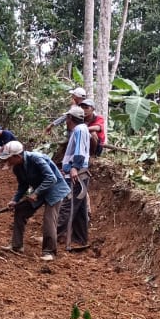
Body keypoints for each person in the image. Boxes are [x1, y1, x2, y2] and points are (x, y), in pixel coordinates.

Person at [0, 140, 70, 261]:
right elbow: (23, 186)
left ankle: (49, 252)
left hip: (55, 190)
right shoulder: (17, 168)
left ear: (17, 156)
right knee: (20, 211)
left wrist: (36, 193)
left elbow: (51, 178)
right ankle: (17, 245)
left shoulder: (36, 159)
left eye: (9, 158)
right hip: (39, 191)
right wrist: (15, 200)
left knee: (49, 220)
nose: (7, 161)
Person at [58, 105, 91, 249]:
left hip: (77, 174)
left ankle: (54, 234)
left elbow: (79, 151)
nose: (66, 120)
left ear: (70, 118)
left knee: (67, 205)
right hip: (79, 173)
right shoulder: (81, 129)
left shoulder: (78, 130)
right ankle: (80, 239)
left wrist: (74, 168)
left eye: (67, 118)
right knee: (80, 208)